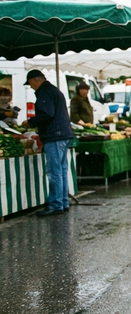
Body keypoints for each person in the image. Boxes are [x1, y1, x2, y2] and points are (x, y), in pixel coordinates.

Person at [21, 70, 74, 216]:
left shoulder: (44, 92)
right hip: (63, 134)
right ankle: (63, 202)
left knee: (54, 172)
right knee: (61, 171)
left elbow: (46, 113)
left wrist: (30, 122)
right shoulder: (54, 90)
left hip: (55, 135)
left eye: (30, 83)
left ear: (35, 80)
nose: (31, 87)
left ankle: (56, 204)